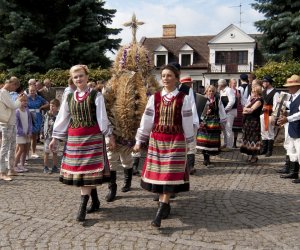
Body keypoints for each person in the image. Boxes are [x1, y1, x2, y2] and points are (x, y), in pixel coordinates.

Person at [50, 64, 115, 222]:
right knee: (82, 172)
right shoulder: (69, 97)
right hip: (75, 140)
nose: (78, 79)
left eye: (81, 76)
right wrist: (55, 138)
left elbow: (102, 117)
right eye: (75, 77)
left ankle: (82, 206)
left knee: (88, 170)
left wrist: (109, 135)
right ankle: (95, 200)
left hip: (92, 138)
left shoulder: (95, 95)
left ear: (87, 77)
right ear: (72, 79)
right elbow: (63, 118)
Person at [133, 64, 194, 228]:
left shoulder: (184, 98)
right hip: (157, 140)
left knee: (169, 175)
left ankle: (159, 212)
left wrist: (190, 142)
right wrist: (139, 140)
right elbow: (146, 120)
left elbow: (187, 122)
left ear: (176, 78)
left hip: (176, 140)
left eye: (169, 76)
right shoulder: (155, 98)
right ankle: (165, 204)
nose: (166, 78)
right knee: (160, 175)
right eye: (164, 75)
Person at [196, 85, 226, 166]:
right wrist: (205, 113)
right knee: (204, 142)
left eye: (212, 91)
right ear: (206, 91)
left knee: (211, 142)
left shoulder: (217, 100)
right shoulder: (203, 99)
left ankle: (208, 158)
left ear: (215, 92)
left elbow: (221, 111)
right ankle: (206, 159)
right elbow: (199, 112)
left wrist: (223, 121)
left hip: (214, 123)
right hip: (205, 123)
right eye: (209, 91)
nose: (211, 92)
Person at [278, 75, 300, 183]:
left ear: (296, 86)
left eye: (290, 86)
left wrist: (288, 118)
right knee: (292, 150)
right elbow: (293, 107)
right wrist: (286, 111)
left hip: (298, 127)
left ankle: (295, 172)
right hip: (293, 126)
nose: (288, 88)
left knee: (299, 151)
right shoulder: (294, 96)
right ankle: (293, 172)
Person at [0, 77, 22, 180]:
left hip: (11, 123)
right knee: (5, 148)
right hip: (6, 124)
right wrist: (19, 100)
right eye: (15, 86)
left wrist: (18, 101)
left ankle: (11, 169)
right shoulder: (3, 92)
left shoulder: (6, 93)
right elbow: (13, 106)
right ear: (11, 83)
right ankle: (2, 172)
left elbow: (12, 106)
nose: (15, 89)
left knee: (12, 147)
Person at [179, 75, 199, 174]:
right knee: (190, 144)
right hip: (189, 121)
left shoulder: (178, 91)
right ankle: (190, 167)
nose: (191, 85)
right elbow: (193, 107)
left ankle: (186, 166)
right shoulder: (188, 91)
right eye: (190, 83)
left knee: (185, 144)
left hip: (183, 120)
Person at [240, 86, 263, 163]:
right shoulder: (253, 99)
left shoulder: (259, 100)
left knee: (254, 139)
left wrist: (246, 110)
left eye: (253, 92)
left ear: (257, 92)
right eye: (252, 91)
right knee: (248, 138)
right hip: (248, 121)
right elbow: (244, 108)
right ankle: (250, 155)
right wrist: (246, 110)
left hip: (254, 122)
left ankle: (254, 156)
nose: (252, 93)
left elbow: (251, 110)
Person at [27, 85, 49, 158]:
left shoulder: (39, 97)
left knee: (34, 136)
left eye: (34, 90)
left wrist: (41, 107)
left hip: (37, 117)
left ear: (36, 90)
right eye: (31, 91)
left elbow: (47, 103)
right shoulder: (26, 97)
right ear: (28, 90)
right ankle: (26, 154)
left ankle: (33, 152)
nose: (32, 92)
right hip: (28, 117)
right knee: (27, 137)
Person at [260, 75, 279, 157]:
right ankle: (264, 149)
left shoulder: (275, 92)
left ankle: (269, 150)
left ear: (268, 82)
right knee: (263, 131)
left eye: (265, 82)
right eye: (263, 82)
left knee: (270, 132)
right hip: (262, 114)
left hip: (270, 114)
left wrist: (274, 116)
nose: (263, 83)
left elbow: (276, 106)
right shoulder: (263, 92)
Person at [14, 95, 32, 173]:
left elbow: (30, 122)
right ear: (19, 102)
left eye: (25, 101)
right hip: (20, 134)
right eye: (22, 101)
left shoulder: (27, 110)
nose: (24, 102)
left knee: (25, 150)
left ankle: (22, 165)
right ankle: (14, 165)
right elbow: (17, 125)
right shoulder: (17, 111)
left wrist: (30, 132)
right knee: (20, 149)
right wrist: (23, 133)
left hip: (27, 133)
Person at [218, 79, 237, 150]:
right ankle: (226, 144)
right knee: (224, 129)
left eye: (219, 84)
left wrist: (225, 110)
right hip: (224, 113)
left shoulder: (229, 90)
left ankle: (229, 146)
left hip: (230, 112)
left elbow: (232, 101)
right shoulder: (221, 91)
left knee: (228, 128)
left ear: (222, 84)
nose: (218, 85)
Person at [43, 99, 60, 174]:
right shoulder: (47, 114)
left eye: (53, 106)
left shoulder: (59, 115)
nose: (51, 107)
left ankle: (55, 166)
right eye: (50, 105)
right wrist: (42, 133)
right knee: (46, 152)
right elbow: (43, 124)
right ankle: (45, 167)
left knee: (55, 152)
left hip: (56, 136)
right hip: (48, 136)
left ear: (57, 107)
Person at [230, 78, 243, 148]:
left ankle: (235, 143)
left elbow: (242, 100)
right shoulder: (229, 91)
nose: (234, 84)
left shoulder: (239, 91)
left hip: (238, 109)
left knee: (236, 128)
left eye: (235, 83)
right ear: (230, 83)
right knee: (230, 127)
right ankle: (230, 142)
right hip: (231, 109)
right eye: (233, 83)